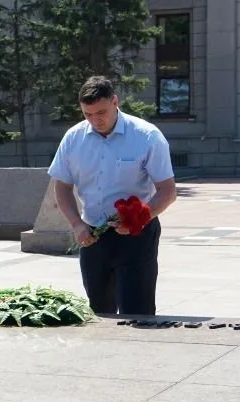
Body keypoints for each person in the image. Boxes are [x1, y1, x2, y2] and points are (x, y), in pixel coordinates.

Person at [48, 76, 177, 316]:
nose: (95, 120)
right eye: (87, 114)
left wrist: (140, 217)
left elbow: (168, 190)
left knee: (137, 311)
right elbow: (62, 187)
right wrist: (76, 224)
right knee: (98, 311)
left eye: (101, 112)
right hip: (93, 234)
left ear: (115, 101)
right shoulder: (73, 138)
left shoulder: (146, 136)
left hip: (137, 234)